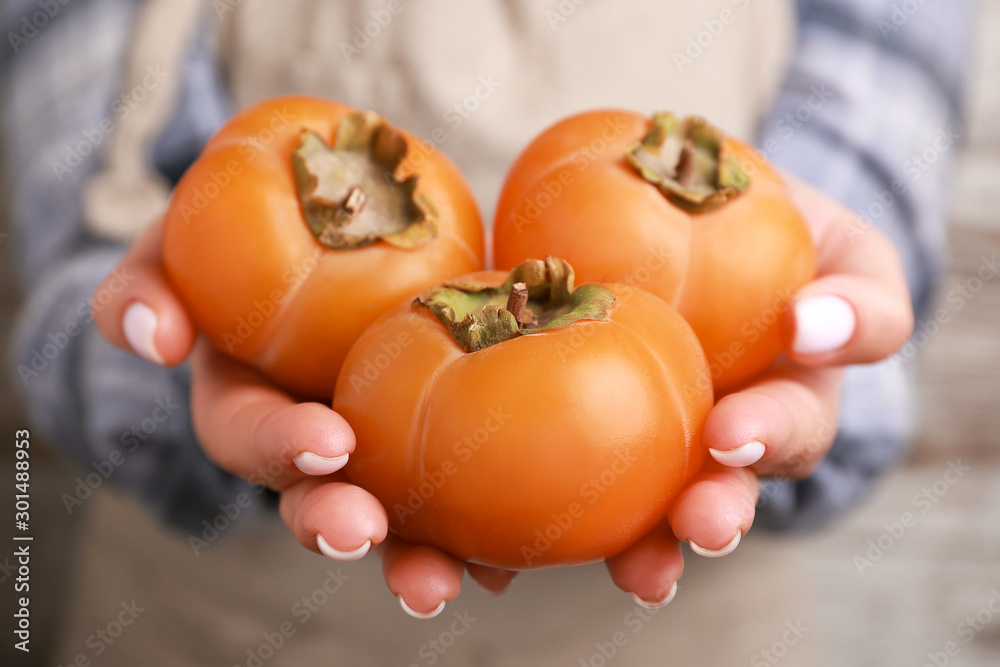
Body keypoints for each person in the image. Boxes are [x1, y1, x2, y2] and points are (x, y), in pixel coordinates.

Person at [4, 0, 972, 633]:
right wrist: (144, 314)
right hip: (206, 613)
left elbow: (886, 35)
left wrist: (822, 301)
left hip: (685, 619)